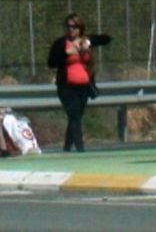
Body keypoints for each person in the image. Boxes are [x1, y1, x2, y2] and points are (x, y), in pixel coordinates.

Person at [47, 13, 111, 152]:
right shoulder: (61, 43)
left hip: (83, 87)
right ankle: (81, 150)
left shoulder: (85, 41)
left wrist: (87, 43)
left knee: (75, 118)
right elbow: (51, 62)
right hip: (66, 87)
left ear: (80, 28)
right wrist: (68, 52)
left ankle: (67, 149)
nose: (71, 29)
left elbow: (106, 39)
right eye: (69, 26)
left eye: (74, 27)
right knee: (74, 116)